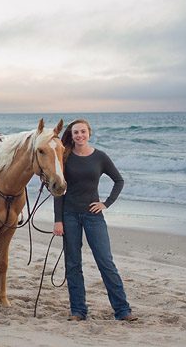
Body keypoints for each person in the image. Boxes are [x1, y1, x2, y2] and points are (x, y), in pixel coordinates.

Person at [53, 118, 136, 321]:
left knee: (105, 261)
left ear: (89, 133)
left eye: (82, 132)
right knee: (73, 264)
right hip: (69, 216)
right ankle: (78, 311)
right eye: (75, 133)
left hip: (93, 216)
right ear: (71, 136)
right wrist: (58, 220)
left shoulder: (100, 157)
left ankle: (123, 310)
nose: (79, 135)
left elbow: (119, 180)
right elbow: (58, 190)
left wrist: (105, 203)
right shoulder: (65, 157)